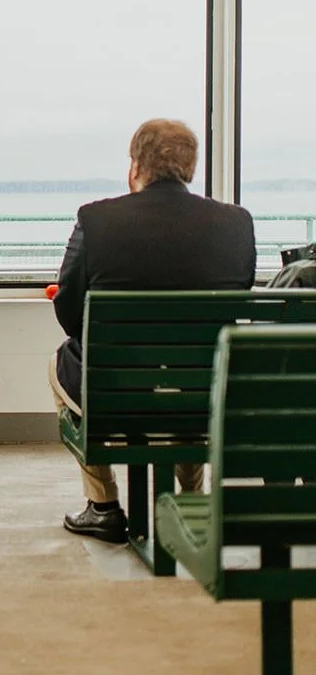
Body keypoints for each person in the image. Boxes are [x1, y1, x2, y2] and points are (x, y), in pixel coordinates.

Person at [51, 118, 257, 545]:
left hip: (115, 392)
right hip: (205, 392)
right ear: (191, 168)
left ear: (135, 167)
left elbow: (70, 313)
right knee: (191, 369)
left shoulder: (96, 219)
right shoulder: (236, 224)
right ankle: (190, 494)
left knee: (60, 361)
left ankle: (103, 505)